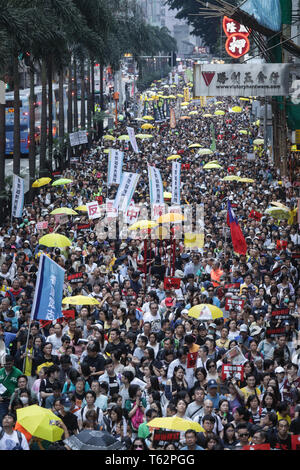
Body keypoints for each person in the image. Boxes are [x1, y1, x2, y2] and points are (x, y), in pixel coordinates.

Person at [0, 356, 22, 424]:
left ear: (13, 363)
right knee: (2, 418)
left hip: (14, 401)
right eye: (5, 364)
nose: (7, 366)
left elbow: (22, 385)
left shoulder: (18, 372)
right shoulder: (0, 372)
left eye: (9, 364)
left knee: (14, 420)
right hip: (2, 400)